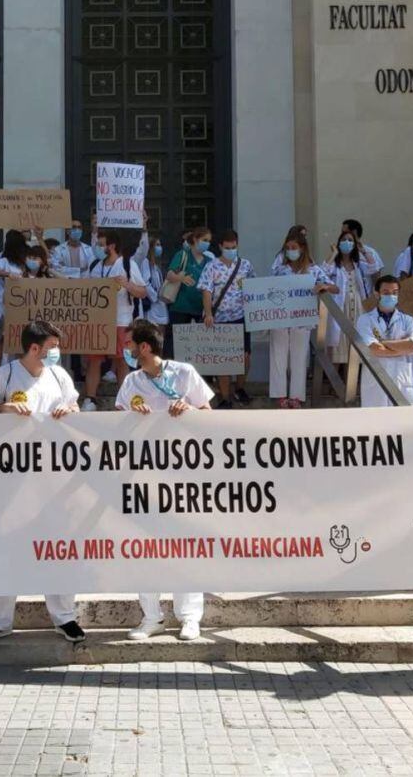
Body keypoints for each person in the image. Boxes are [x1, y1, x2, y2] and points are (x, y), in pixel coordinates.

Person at [0, 320, 85, 645]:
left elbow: (75, 405)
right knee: (7, 545)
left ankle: (65, 617)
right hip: (11, 477)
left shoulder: (59, 375)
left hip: (54, 475)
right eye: (51, 347)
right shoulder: (6, 374)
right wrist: (4, 407)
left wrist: (70, 408)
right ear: (34, 348)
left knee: (59, 546)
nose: (56, 353)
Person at [116, 319, 213, 641]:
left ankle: (189, 618)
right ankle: (152, 617)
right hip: (143, 475)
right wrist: (132, 411)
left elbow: (210, 416)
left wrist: (188, 410)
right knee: (143, 546)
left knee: (186, 545)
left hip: (185, 473)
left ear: (145, 347)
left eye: (129, 344)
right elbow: (114, 425)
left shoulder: (184, 372)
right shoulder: (131, 381)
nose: (126, 350)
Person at [82, 231, 148, 411]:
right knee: (94, 361)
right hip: (98, 321)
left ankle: (123, 400)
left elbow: (142, 292)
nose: (98, 248)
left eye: (101, 244)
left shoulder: (127, 265)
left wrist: (127, 284)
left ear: (111, 246)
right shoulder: (95, 265)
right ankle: (90, 400)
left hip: (121, 321)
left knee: (121, 361)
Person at [270, 232, 334, 408]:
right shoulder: (279, 269)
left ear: (302, 249)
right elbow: (267, 291)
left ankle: (296, 397)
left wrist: (324, 286)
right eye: (288, 248)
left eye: (294, 248)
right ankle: (280, 395)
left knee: (299, 357)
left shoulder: (313, 270)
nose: (291, 251)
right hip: (280, 319)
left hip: (302, 319)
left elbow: (334, 288)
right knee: (278, 356)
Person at [199, 230, 254, 408]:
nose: (231, 250)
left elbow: (254, 288)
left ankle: (239, 388)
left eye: (234, 247)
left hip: (241, 317)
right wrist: (208, 313)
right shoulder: (212, 266)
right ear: (221, 247)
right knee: (223, 359)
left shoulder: (245, 265)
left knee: (244, 357)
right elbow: (206, 291)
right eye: (228, 247)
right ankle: (225, 397)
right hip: (220, 319)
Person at [355, 275, 413, 407]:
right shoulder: (365, 320)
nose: (390, 296)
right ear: (377, 293)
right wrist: (401, 349)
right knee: (375, 424)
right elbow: (373, 349)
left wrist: (384, 343)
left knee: (405, 421)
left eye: (394, 293)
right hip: (376, 380)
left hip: (401, 378)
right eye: (386, 293)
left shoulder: (408, 320)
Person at [322, 231, 373, 373]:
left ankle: (351, 382)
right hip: (340, 305)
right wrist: (333, 253)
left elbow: (373, 267)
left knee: (356, 341)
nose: (347, 242)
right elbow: (323, 271)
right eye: (344, 240)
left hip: (357, 306)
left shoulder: (359, 264)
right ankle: (336, 383)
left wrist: (364, 250)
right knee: (339, 342)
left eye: (350, 240)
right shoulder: (335, 265)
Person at [0, 229, 28, 373]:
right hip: (5, 306)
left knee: (22, 339)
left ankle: (21, 373)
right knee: (3, 339)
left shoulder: (26, 261)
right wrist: (7, 274)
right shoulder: (4, 261)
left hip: (25, 307)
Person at [166, 227, 213, 329]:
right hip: (181, 308)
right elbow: (169, 275)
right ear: (196, 239)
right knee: (176, 342)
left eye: (209, 241)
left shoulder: (209, 261)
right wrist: (180, 278)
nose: (207, 243)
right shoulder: (183, 255)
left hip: (200, 309)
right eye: (204, 240)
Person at [340, 219, 384, 292]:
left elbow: (377, 279)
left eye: (344, 232)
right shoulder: (339, 254)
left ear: (354, 232)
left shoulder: (370, 252)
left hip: (365, 299)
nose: (341, 235)